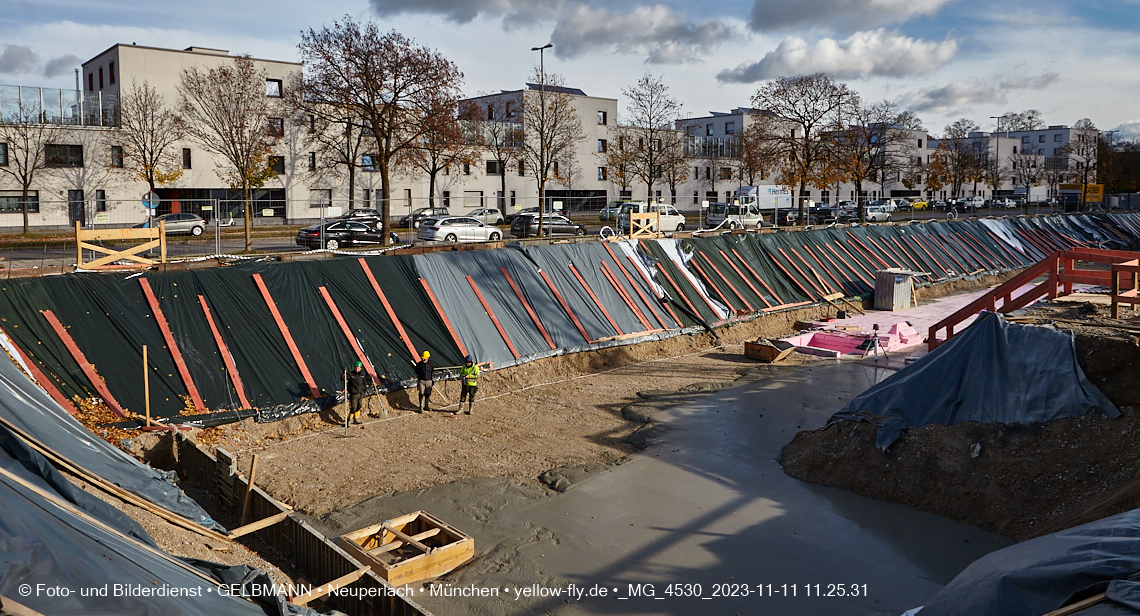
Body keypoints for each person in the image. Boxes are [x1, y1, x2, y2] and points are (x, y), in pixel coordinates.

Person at [345, 361, 371, 425]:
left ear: (361, 368)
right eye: (356, 368)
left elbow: (364, 383)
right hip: (354, 393)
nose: (357, 369)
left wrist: (364, 390)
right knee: (353, 407)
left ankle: (357, 419)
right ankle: (349, 420)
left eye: (358, 368)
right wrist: (344, 373)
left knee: (359, 406)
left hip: (360, 392)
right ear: (354, 368)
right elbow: (343, 378)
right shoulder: (351, 374)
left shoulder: (362, 375)